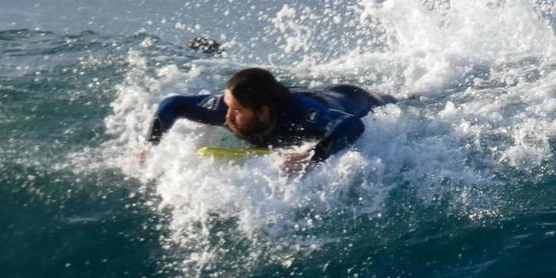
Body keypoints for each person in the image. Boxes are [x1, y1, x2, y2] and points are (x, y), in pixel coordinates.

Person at [144, 67, 397, 175]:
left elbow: (353, 125)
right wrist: (149, 146)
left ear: (263, 113)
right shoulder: (226, 108)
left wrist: (312, 157)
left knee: (403, 99)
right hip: (304, 93)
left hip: (354, 98)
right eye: (228, 106)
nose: (226, 116)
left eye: (236, 111)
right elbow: (172, 104)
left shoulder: (303, 114)